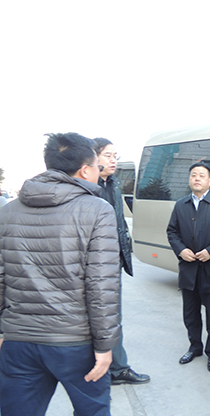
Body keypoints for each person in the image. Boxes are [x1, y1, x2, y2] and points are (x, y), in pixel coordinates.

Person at [0, 133, 121, 416]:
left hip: (19, 341)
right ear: (85, 170)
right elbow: (101, 286)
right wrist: (105, 347)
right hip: (75, 343)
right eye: (97, 165)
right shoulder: (97, 210)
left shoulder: (8, 211)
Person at [93, 138, 150, 385]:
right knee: (93, 319)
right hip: (92, 264)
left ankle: (117, 368)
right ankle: (97, 369)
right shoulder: (86, 187)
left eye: (115, 155)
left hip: (111, 263)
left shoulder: (113, 185)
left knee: (112, 318)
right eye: (108, 155)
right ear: (93, 158)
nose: (113, 160)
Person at [167, 162, 210, 372]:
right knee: (190, 314)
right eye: (193, 175)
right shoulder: (181, 204)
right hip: (188, 269)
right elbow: (172, 231)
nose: (197, 178)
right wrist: (181, 250)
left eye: (201, 175)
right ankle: (195, 347)